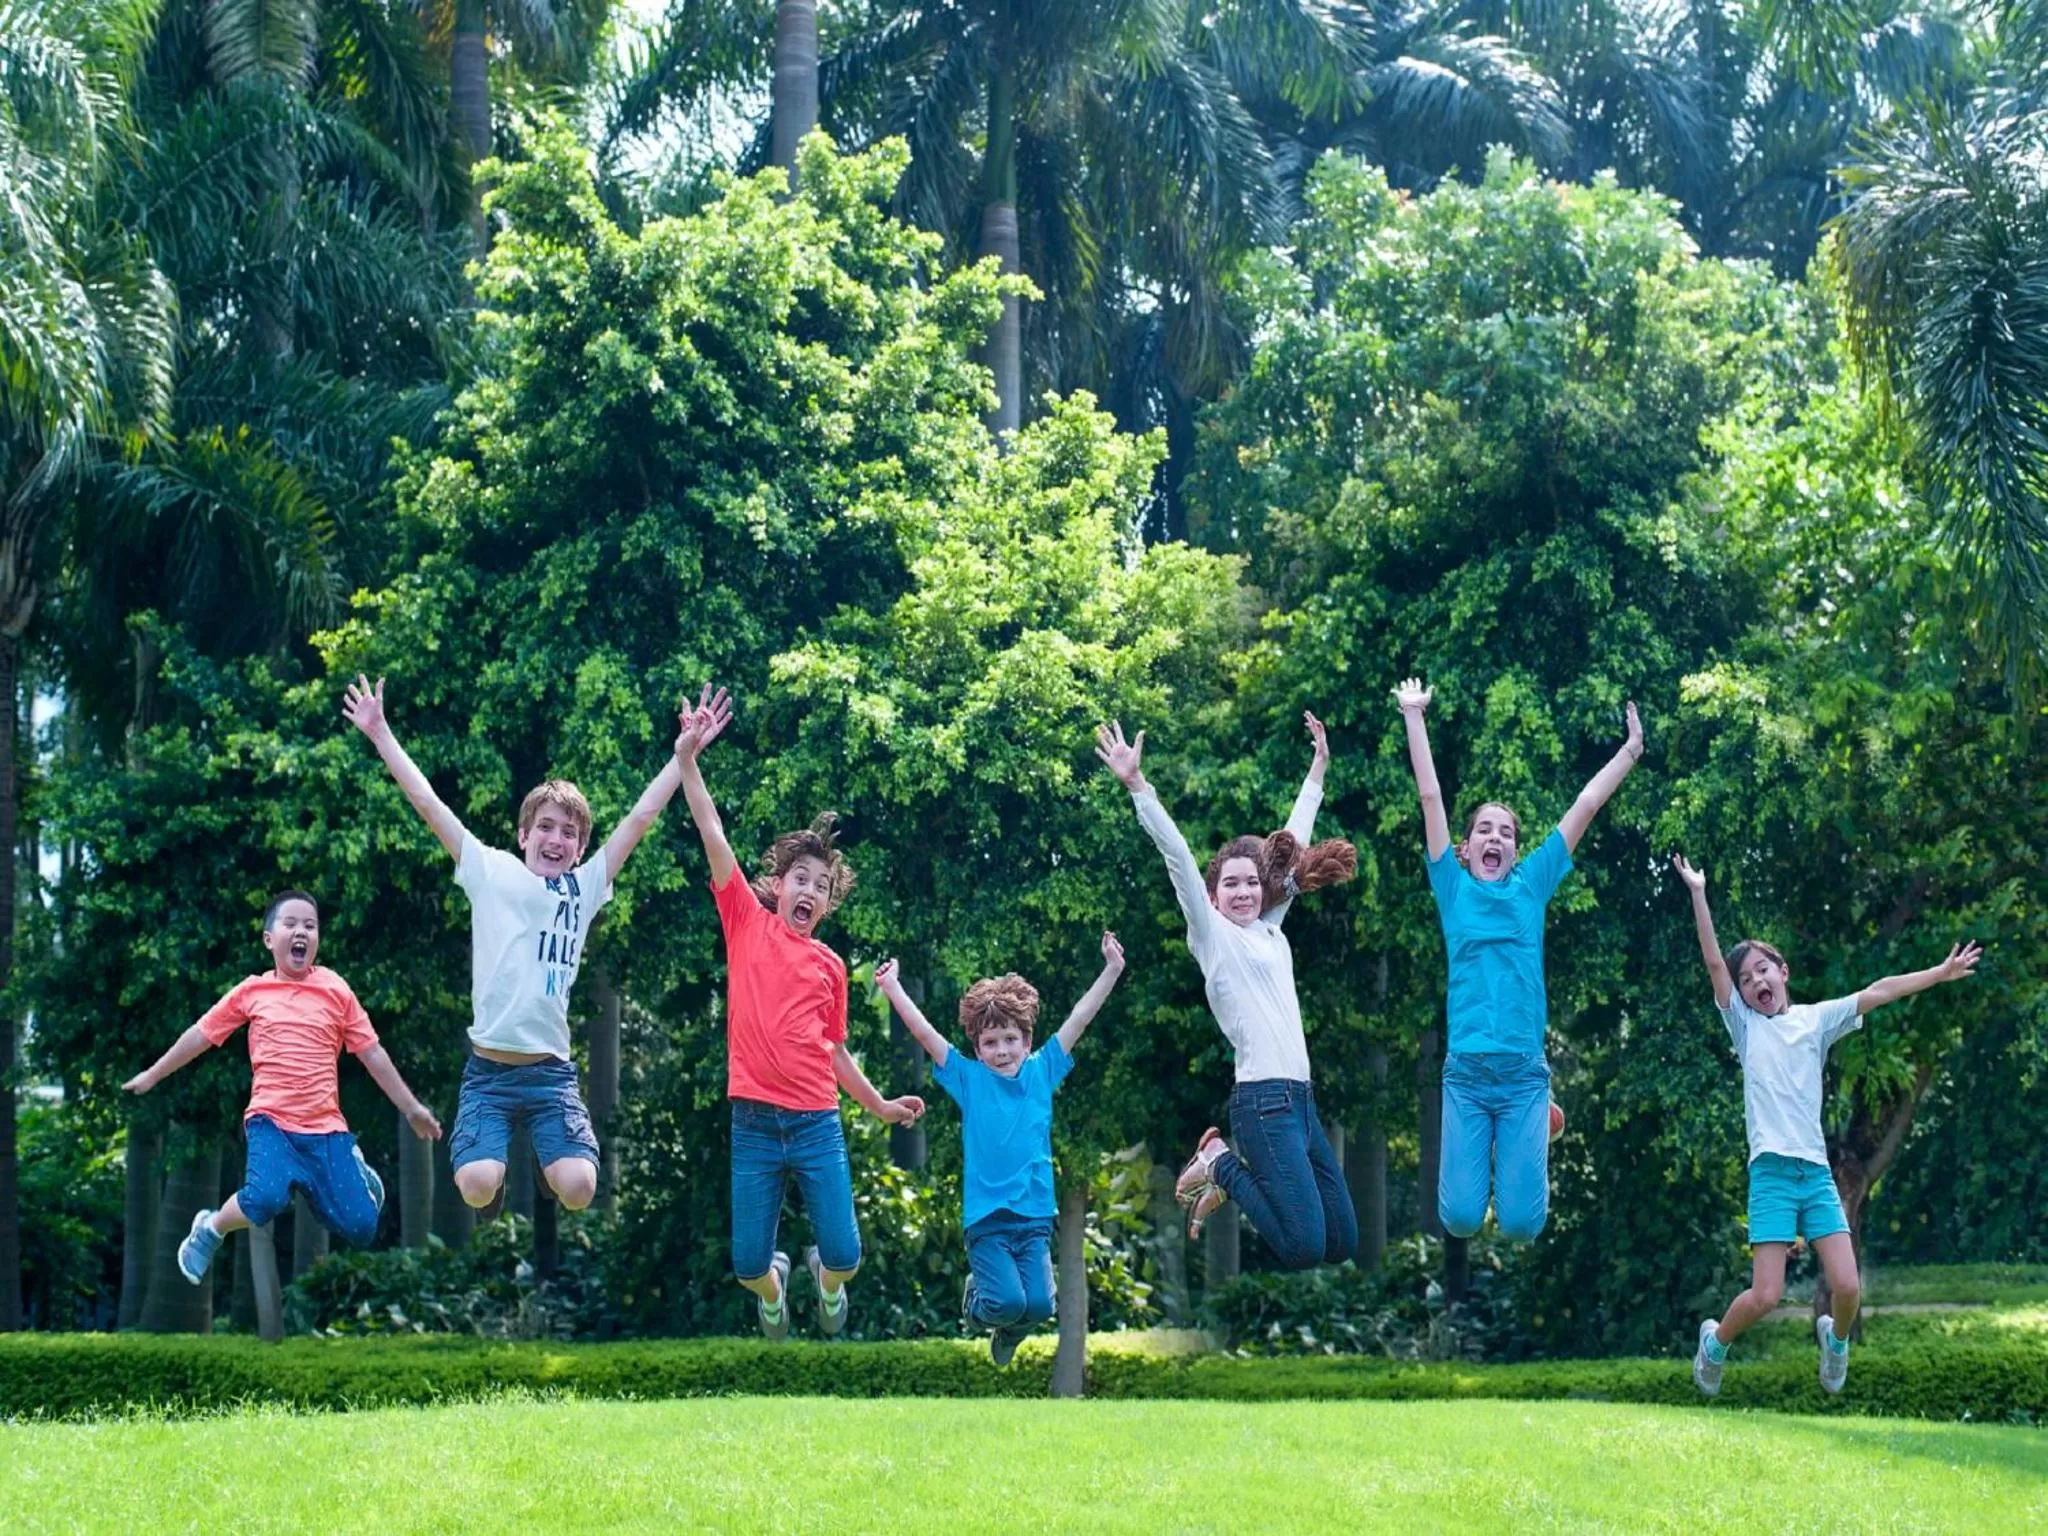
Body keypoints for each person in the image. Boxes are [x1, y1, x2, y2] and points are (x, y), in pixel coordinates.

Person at [344, 675, 688, 1217]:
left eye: (569, 833)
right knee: (477, 1185)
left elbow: (640, 818)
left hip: (551, 1076)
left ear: (580, 848)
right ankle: (495, 1174)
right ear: (524, 834)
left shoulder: (585, 887)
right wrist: (381, 733)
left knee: (579, 1188)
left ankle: (550, 1168)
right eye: (545, 827)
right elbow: (427, 802)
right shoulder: (491, 870)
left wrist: (682, 756)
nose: (556, 839)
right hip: (489, 1074)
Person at [1675, 853, 1981, 1396]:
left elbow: (1879, 991)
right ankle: (1715, 1343)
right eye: (1747, 979)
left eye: (1763, 969)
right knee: (1766, 1296)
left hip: (1814, 1173)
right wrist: (1699, 892)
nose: (1755, 979)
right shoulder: (1745, 1028)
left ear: (1783, 972)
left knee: (1848, 1288)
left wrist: (1940, 973)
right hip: (1772, 1173)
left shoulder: (1815, 1020)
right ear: (1741, 996)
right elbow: (1714, 963)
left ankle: (1835, 1341)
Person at [675, 686, 924, 1339]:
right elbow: (711, 831)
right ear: (778, 885)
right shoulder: (744, 920)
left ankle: (823, 1280)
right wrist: (687, 760)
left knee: (845, 1256)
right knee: (747, 1265)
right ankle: (774, 1290)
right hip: (754, 1123)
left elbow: (834, 1052)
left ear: (827, 902)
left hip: (816, 1122)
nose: (810, 889)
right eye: (801, 878)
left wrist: (882, 1107)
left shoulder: (831, 967)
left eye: (822, 884)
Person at [1098, 713, 1360, 1266]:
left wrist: (1317, 771)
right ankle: (1220, 1162)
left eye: (1251, 883)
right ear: (1213, 896)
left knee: (1341, 1242)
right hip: (1262, 1105)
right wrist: (1138, 786)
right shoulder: (1213, 937)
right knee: (1303, 1248)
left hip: (1301, 1102)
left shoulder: (1270, 930)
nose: (1243, 893)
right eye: (1230, 884)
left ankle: (1223, 1167)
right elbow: (1178, 858)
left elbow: (1293, 850)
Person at [1396, 677, 1642, 1243]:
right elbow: (1430, 797)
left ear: (1515, 849)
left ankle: (1534, 1124)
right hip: (1466, 1075)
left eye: (1506, 833)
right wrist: (1413, 715)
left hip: (1524, 1075)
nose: (1495, 837)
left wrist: (1630, 751)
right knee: (1459, 1219)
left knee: (1522, 1226)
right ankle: (1520, 1134)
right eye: (1484, 829)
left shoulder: (1531, 884)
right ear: (1466, 847)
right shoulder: (1452, 887)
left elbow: (1585, 805)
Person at [123, 891, 442, 1281]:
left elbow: (372, 1052)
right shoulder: (252, 992)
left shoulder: (336, 989)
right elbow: (201, 1035)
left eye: (310, 925)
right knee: (265, 1197)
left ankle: (352, 1169)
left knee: (362, 1227)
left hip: (325, 1129)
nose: (301, 931)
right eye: (290, 924)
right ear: (269, 939)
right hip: (271, 1123)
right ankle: (210, 1229)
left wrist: (411, 1108)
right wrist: (153, 1074)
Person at [874, 933, 1125, 1365]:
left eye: (1010, 1040)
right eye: (990, 1043)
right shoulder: (969, 1079)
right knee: (1007, 1302)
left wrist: (1112, 969)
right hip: (987, 1218)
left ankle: (1007, 1335)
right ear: (977, 1050)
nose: (1002, 1051)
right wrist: (892, 986)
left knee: (1040, 1306)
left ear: (1027, 1042)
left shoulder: (1043, 1070)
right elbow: (925, 1034)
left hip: (1034, 1215)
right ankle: (977, 1305)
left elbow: (1080, 1018)